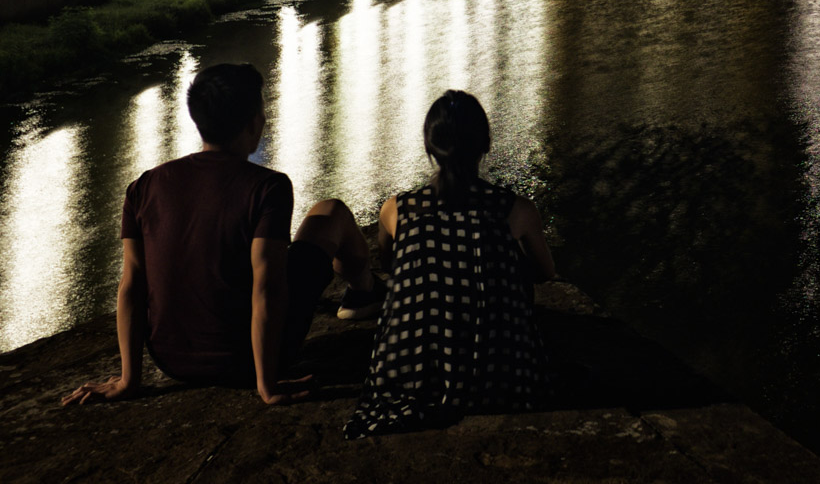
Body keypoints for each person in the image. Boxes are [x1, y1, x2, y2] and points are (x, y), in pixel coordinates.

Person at [63, 63, 382, 407]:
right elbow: (267, 286)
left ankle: (363, 292)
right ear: (254, 122)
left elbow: (132, 283)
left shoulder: (143, 186)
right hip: (245, 361)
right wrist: (266, 382)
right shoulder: (267, 187)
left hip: (173, 361)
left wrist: (128, 380)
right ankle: (364, 292)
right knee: (331, 212)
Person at [344, 90, 555, 438]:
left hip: (411, 368)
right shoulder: (515, 210)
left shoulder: (396, 210)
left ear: (430, 147)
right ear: (485, 145)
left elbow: (393, 266)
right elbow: (546, 273)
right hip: (497, 371)